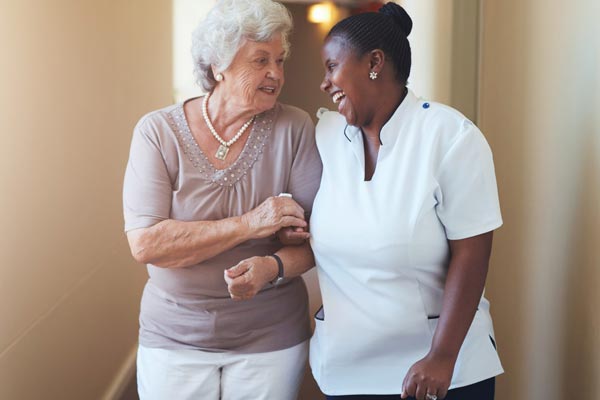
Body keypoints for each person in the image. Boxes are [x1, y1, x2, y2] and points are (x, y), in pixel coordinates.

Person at [122, 0, 321, 399]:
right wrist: (252, 224)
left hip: (271, 335)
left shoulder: (295, 128)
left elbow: (316, 238)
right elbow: (146, 243)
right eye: (260, 60)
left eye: (279, 60)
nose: (275, 74)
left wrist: (273, 264)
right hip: (174, 336)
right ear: (218, 66)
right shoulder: (158, 133)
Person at [308, 3, 503, 400]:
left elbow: (472, 253)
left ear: (374, 63)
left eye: (331, 67)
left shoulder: (450, 137)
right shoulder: (326, 137)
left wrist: (442, 357)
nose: (324, 84)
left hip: (437, 373)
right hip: (345, 372)